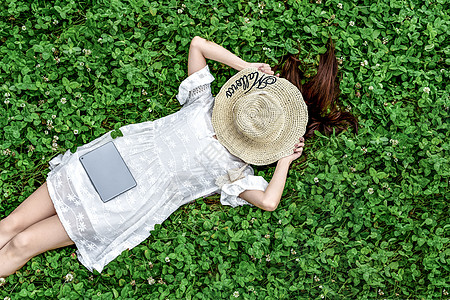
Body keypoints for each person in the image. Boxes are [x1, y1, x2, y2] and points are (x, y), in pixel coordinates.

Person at [0, 36, 357, 278]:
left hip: (123, 204)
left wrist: (283, 160)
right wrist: (244, 65)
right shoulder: (205, 103)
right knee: (11, 225)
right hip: (106, 164)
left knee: (25, 243)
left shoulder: (234, 169)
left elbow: (268, 201)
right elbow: (198, 44)